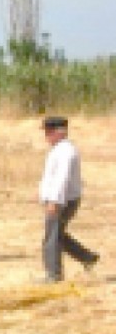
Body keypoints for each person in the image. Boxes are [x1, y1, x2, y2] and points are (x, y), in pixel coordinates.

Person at [39, 116, 99, 283]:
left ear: (59, 132)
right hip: (61, 199)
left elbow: (61, 178)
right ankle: (87, 257)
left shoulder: (65, 152)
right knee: (57, 235)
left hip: (63, 200)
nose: (46, 135)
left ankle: (54, 275)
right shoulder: (60, 149)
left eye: (48, 132)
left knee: (51, 237)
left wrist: (54, 201)